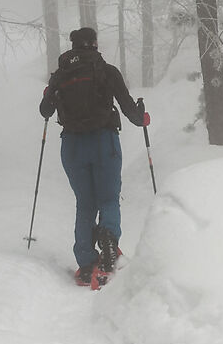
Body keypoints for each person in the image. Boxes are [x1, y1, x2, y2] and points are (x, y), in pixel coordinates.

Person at [39, 26, 149, 285]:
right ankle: (109, 246)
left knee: (85, 203)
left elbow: (45, 111)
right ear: (94, 44)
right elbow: (128, 108)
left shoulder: (60, 75)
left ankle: (87, 262)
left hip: (72, 146)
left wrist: (49, 94)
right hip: (103, 141)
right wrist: (142, 118)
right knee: (108, 198)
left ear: (74, 45)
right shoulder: (106, 71)